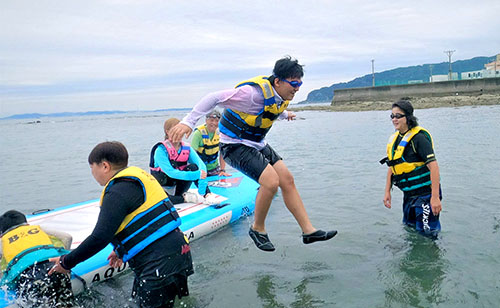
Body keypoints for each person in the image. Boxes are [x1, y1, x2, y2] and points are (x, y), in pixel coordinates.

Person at [169, 56, 337, 252]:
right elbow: (214, 98)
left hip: (256, 143)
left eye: (300, 84)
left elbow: (270, 110)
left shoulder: (279, 96)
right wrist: (188, 122)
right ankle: (258, 228)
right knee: (271, 182)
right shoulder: (251, 94)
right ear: (277, 81)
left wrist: (286, 115)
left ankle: (308, 231)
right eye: (293, 83)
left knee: (287, 180)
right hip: (234, 146)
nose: (297, 88)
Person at [49, 141, 194, 308]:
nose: (92, 172)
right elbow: (145, 221)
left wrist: (66, 262)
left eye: (92, 167)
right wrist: (120, 250)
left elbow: (100, 237)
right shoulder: (138, 180)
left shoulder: (117, 191)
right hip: (179, 252)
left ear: (104, 166)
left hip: (157, 263)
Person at [380, 100, 442, 238]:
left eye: (398, 116)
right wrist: (387, 192)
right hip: (409, 196)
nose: (394, 119)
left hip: (426, 195)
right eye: (392, 116)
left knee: (428, 234)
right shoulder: (395, 139)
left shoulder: (418, 138)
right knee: (410, 229)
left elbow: (434, 167)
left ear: (408, 117)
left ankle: (433, 257)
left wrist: (435, 197)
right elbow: (392, 167)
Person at [0, 210, 74, 307]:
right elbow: (67, 237)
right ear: (27, 224)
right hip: (55, 269)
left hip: (30, 277)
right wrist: (62, 263)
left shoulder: (3, 241)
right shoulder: (37, 229)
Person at [150, 118, 217, 205]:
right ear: (167, 131)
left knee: (194, 167)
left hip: (179, 185)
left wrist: (202, 186)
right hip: (163, 186)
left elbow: (201, 165)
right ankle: (184, 198)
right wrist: (196, 175)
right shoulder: (161, 150)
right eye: (175, 130)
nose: (179, 133)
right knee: (162, 202)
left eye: (181, 130)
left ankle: (207, 195)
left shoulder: (186, 148)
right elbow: (171, 172)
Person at [190, 109, 231, 177]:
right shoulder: (198, 133)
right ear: (206, 120)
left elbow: (222, 153)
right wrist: (197, 171)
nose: (214, 123)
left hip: (214, 169)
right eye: (211, 120)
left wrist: (222, 170)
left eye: (216, 121)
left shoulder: (221, 134)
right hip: (200, 169)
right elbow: (192, 154)